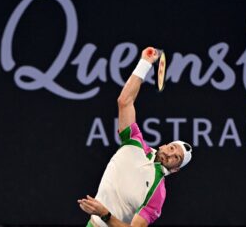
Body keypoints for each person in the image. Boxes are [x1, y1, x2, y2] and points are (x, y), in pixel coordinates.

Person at [78, 47, 193, 227]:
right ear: (164, 145)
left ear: (176, 169)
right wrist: (145, 63)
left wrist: (105, 214)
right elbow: (124, 102)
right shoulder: (134, 143)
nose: (171, 155)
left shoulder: (158, 194)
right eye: (172, 148)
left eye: (176, 158)